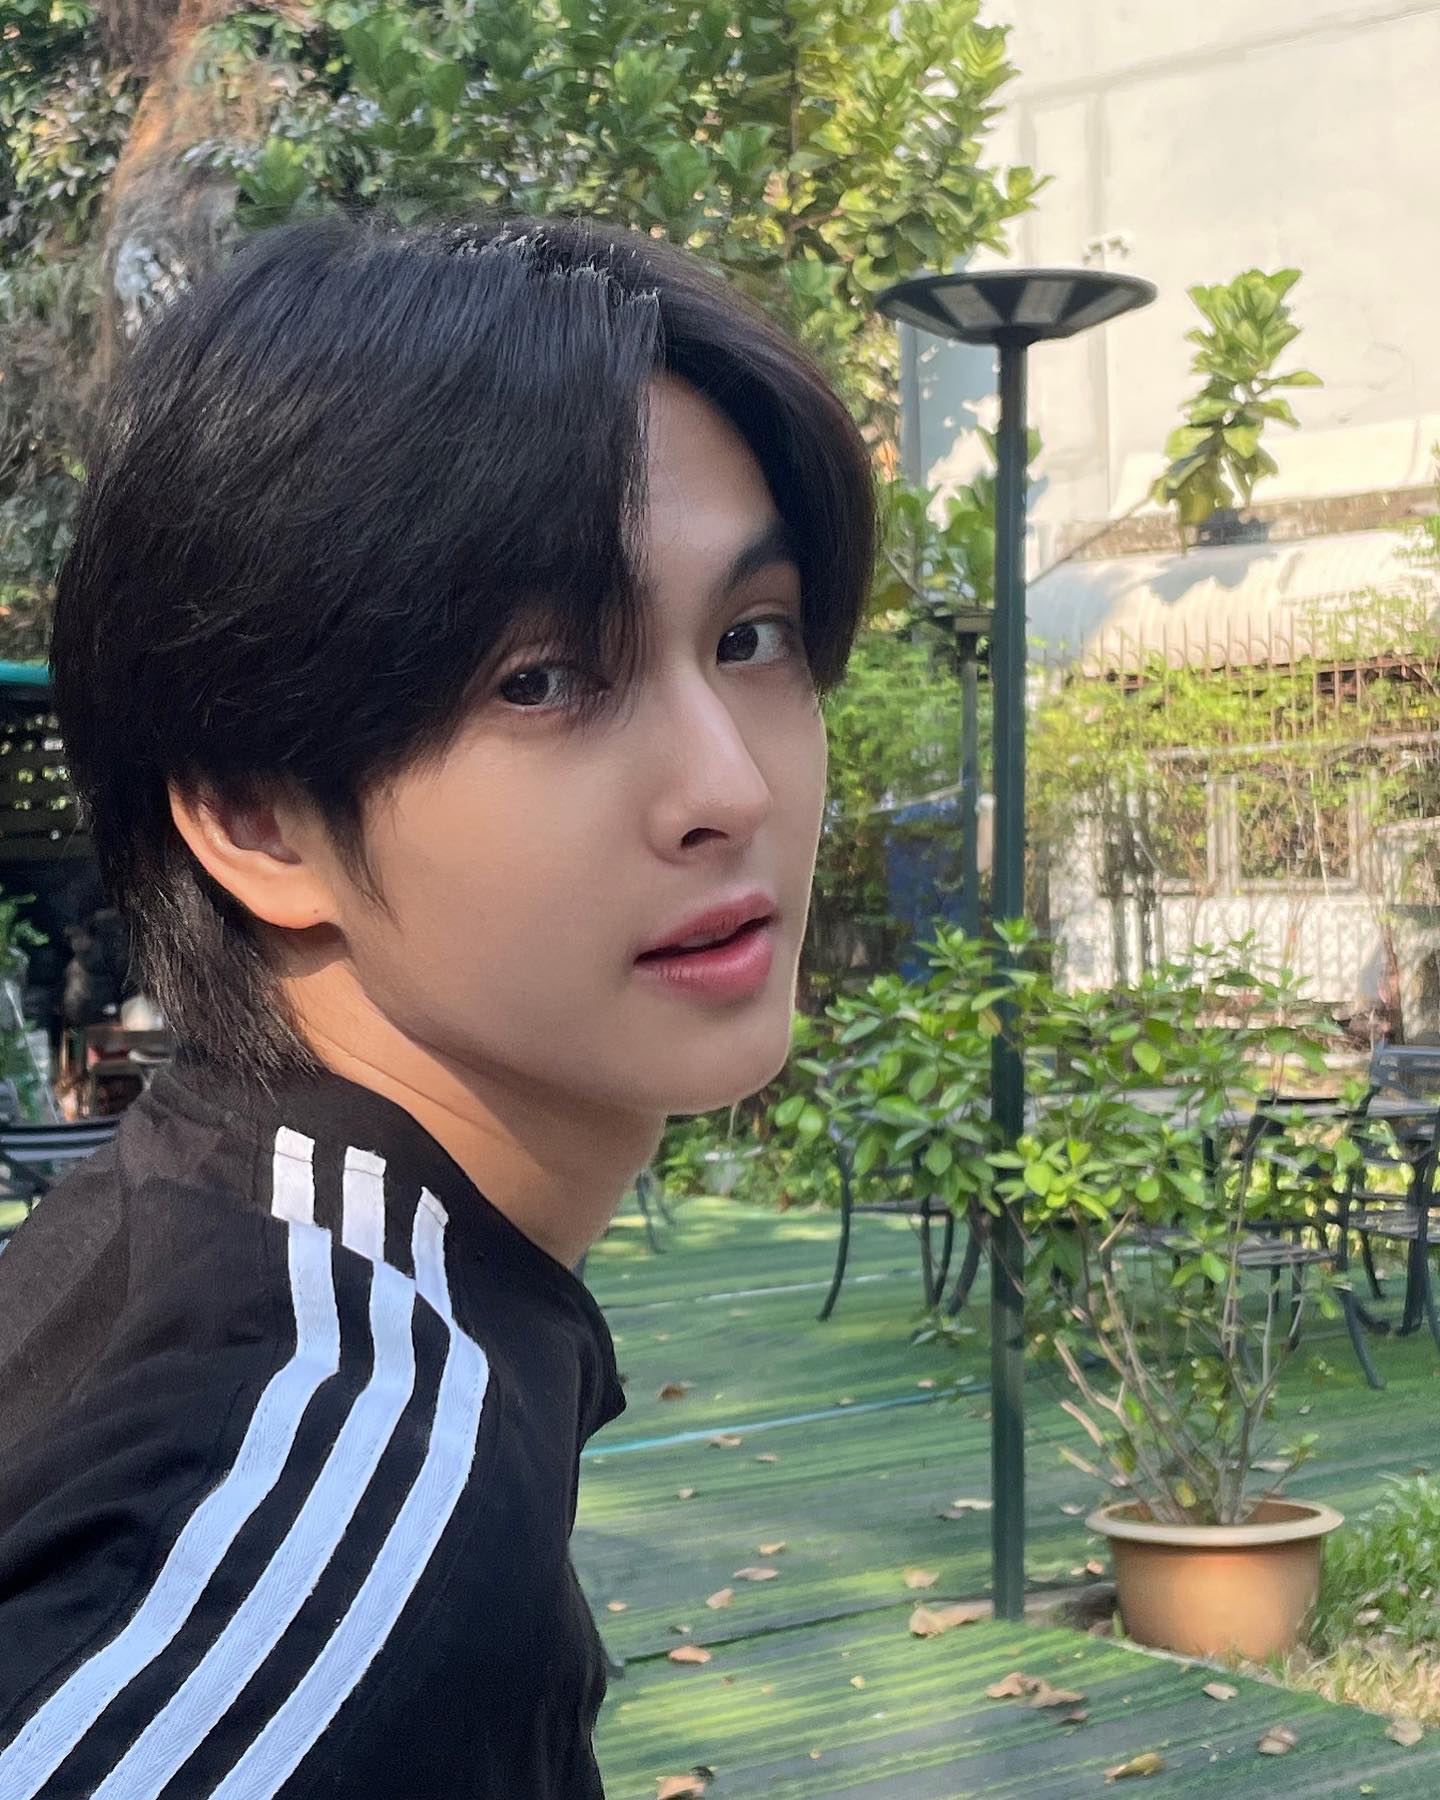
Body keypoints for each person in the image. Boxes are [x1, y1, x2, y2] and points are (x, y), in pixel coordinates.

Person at [0, 212, 874, 1798]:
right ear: (258, 817)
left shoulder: (189, 1229)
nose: (731, 789)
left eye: (751, 638)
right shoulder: (351, 1465)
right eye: (543, 680)